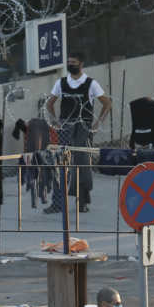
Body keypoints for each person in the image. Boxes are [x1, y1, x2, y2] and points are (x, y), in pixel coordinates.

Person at [44, 51, 111, 214]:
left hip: (83, 127)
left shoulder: (91, 83)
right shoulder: (61, 83)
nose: (70, 65)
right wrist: (54, 120)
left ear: (81, 64)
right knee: (62, 163)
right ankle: (58, 202)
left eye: (73, 62)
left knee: (82, 165)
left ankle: (82, 201)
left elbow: (107, 103)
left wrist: (97, 123)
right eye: (69, 62)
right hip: (66, 126)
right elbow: (50, 103)